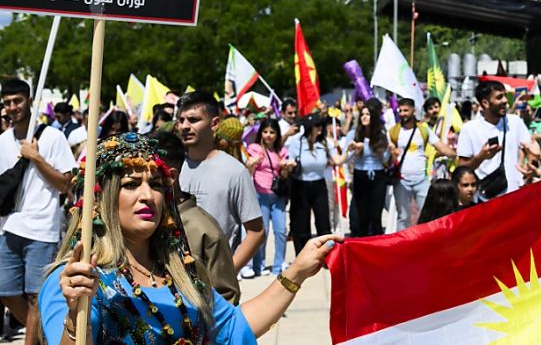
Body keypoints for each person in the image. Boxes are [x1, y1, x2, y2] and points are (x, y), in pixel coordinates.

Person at [38, 132, 342, 344]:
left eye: (156, 185)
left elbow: (235, 327)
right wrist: (75, 312)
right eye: (131, 184)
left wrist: (296, 272)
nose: (148, 196)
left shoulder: (181, 272)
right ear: (102, 199)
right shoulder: (77, 280)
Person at [0, 79, 76, 345]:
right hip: (8, 225)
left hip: (42, 227)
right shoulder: (2, 141)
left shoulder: (52, 137)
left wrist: (35, 157)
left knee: (36, 295)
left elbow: (65, 183)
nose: (12, 107)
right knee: (6, 292)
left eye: (17, 101)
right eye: (7, 103)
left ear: (29, 100)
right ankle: (43, 334)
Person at [175, 91, 264, 274]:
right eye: (181, 120)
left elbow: (256, 231)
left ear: (214, 124)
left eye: (193, 120)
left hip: (216, 289)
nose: (184, 126)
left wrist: (228, 273)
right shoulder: (170, 168)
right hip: (175, 281)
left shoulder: (235, 171)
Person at [151, 131, 241, 305]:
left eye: (151, 179)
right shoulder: (137, 224)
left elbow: (226, 299)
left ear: (170, 176)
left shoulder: (204, 231)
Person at [457, 80, 540, 201]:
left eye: (505, 96)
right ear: (485, 103)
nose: (505, 101)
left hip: (514, 196)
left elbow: (531, 151)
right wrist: (481, 157)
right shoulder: (469, 129)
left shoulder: (515, 122)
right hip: (484, 199)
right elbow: (461, 169)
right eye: (499, 97)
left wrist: (530, 167)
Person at [388, 98, 455, 230]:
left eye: (406, 110)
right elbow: (388, 153)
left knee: (427, 215)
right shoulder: (394, 131)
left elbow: (440, 146)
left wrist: (456, 155)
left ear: (413, 111)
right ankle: (401, 246)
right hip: (401, 181)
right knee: (403, 217)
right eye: (400, 111)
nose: (402, 114)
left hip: (421, 180)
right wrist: (391, 152)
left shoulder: (423, 130)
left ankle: (425, 243)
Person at [285, 113, 346, 254]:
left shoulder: (325, 143)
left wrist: (349, 151)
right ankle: (302, 255)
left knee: (324, 222)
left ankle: (326, 254)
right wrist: (289, 165)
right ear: (309, 128)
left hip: (319, 185)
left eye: (321, 125)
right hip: (300, 186)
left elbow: (337, 161)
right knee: (301, 224)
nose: (320, 128)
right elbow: (291, 162)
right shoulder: (297, 143)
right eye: (317, 125)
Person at [244, 118, 290, 278]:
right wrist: (252, 164)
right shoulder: (254, 148)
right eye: (265, 132)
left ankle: (279, 265)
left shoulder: (281, 151)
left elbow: (284, 175)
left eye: (272, 132)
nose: (269, 135)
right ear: (260, 133)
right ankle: (259, 265)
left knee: (281, 231)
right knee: (262, 232)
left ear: (277, 134)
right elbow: (248, 170)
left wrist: (286, 168)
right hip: (260, 194)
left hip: (277, 196)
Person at [344, 99, 390, 237]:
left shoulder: (381, 134)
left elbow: (386, 159)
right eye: (362, 114)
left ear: (374, 117)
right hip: (360, 175)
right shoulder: (354, 134)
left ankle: (377, 249)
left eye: (368, 114)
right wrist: (354, 150)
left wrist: (384, 151)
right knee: (362, 218)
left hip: (378, 176)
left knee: (375, 217)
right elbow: (346, 157)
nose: (364, 117)